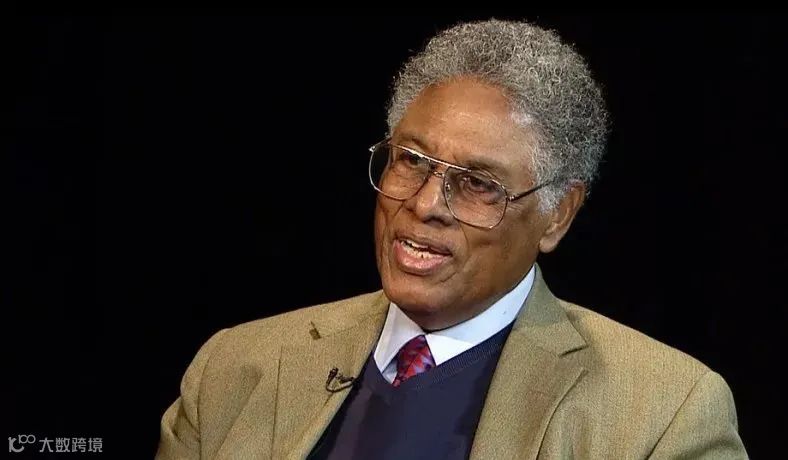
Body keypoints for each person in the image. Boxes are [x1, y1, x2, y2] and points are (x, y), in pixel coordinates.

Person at [156, 18, 748, 459]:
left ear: (557, 215)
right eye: (410, 161)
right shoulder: (235, 369)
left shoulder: (664, 414)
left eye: (478, 184)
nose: (423, 205)